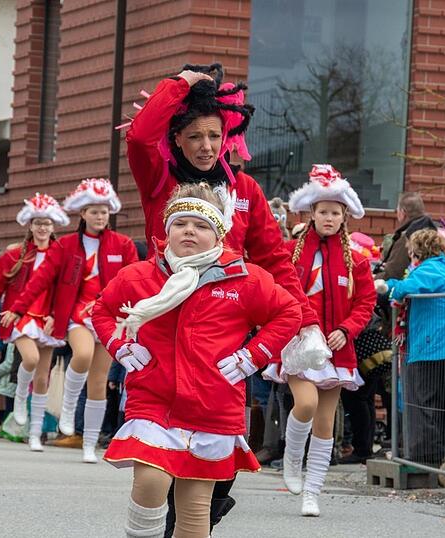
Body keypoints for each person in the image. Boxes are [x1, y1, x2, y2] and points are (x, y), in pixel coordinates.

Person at [126, 62, 320, 530]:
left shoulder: (246, 190)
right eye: (194, 136)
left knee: (215, 466)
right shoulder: (159, 181)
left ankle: (199, 516)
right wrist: (181, 85)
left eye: (214, 135)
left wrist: (306, 320)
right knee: (162, 457)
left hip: (226, 336)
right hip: (166, 330)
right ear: (177, 139)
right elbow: (137, 138)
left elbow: (274, 260)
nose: (206, 146)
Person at [89, 183, 301, 537]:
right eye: (181, 223)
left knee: (195, 509)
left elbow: (288, 311)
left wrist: (253, 356)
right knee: (151, 478)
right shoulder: (138, 276)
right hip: (153, 399)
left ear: (218, 234)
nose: (190, 230)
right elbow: (103, 310)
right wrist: (121, 346)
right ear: (167, 229)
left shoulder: (244, 278)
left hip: (214, 404)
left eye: (201, 226)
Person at [262, 165, 376, 517]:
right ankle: (292, 459)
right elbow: (274, 291)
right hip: (297, 344)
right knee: (305, 404)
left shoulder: (356, 260)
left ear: (344, 218)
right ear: (311, 214)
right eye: (323, 212)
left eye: (335, 213)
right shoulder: (289, 252)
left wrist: (346, 329)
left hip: (336, 349)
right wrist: (291, 324)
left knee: (326, 424)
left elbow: (366, 302)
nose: (329, 218)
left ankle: (312, 492)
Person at [4, 178, 138, 463]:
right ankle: (67, 405)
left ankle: (89, 443)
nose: (100, 216)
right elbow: (40, 280)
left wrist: (139, 311)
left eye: (104, 211)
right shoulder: (65, 246)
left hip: (112, 315)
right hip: (78, 314)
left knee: (100, 382)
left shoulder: (123, 244)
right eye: (94, 211)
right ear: (82, 214)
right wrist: (18, 308)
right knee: (84, 354)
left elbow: (134, 280)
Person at [0, 193, 69, 452]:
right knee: (29, 359)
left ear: (54, 227)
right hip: (19, 318)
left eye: (47, 223)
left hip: (48, 320)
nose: (42, 228)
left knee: (43, 378)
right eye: (38, 222)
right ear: (30, 225)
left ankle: (36, 431)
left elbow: (65, 291)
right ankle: (19, 396)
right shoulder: (15, 255)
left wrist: (56, 315)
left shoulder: (61, 255)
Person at [385, 229, 445, 465]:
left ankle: (425, 457)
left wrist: (384, 285)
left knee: (421, 404)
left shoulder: (430, 269)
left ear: (417, 251)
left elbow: (403, 289)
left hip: (431, 349)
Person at [374, 191, 434, 280]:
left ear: (402, 212)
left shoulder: (407, 238)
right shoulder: (434, 233)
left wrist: (373, 278)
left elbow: (393, 275)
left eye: (397, 210)